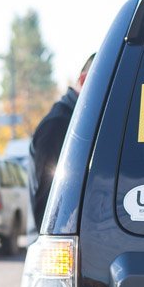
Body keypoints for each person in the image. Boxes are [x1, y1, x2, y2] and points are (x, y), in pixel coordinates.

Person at [30, 53, 95, 227]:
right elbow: (47, 196)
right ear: (83, 80)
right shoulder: (58, 124)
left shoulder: (77, 122)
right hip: (56, 241)